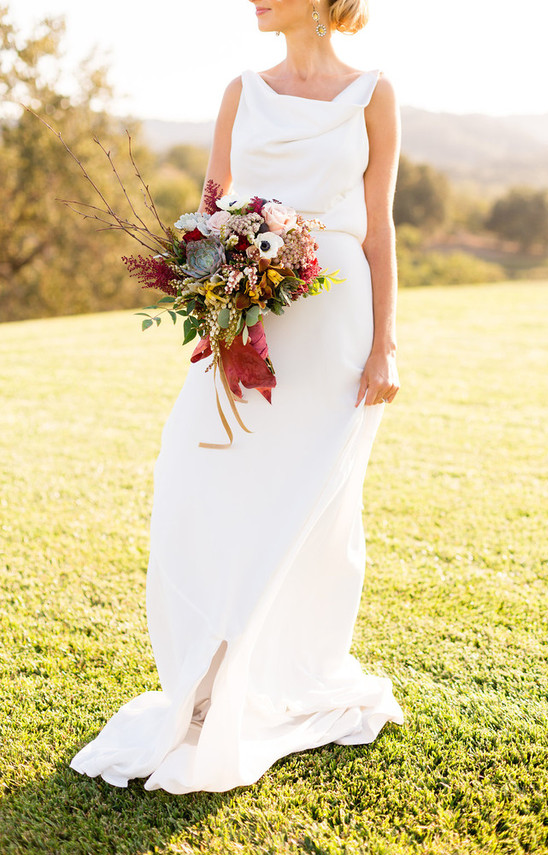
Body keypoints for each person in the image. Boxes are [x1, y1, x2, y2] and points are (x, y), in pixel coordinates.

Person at [69, 0, 404, 794]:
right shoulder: (240, 89)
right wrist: (216, 296)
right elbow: (210, 214)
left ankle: (255, 681)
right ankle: (202, 683)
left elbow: (379, 227)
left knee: (301, 506)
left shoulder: (374, 93)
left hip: (333, 324)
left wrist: (386, 341)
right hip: (246, 319)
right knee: (195, 478)